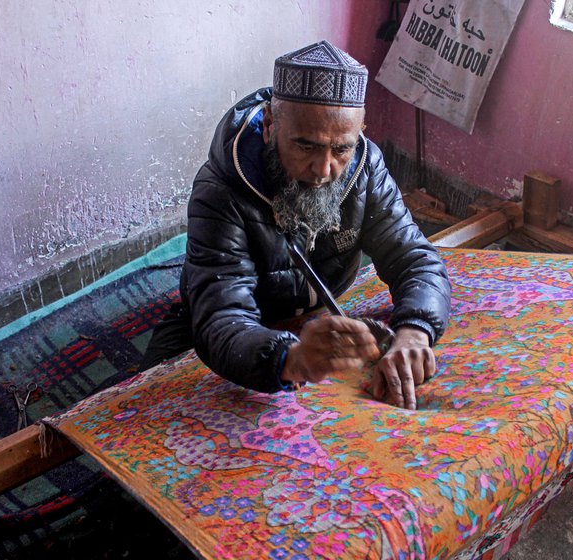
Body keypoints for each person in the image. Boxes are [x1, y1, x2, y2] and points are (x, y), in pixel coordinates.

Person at [140, 40, 451, 410]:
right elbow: (222, 316)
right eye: (306, 147)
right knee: (146, 412)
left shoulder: (364, 166)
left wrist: (415, 334)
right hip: (242, 329)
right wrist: (294, 359)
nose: (323, 170)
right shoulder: (220, 190)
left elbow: (414, 259)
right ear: (270, 126)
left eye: (340, 150)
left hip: (320, 317)